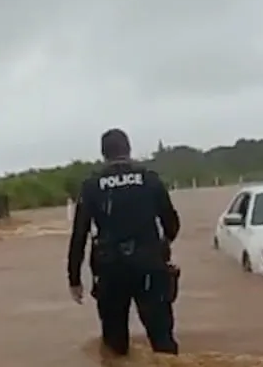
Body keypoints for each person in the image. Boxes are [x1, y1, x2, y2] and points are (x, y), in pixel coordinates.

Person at [67, 128, 181, 356]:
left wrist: (74, 278)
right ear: (128, 149)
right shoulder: (150, 179)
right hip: (149, 266)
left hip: (110, 270)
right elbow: (172, 223)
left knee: (115, 345)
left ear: (103, 154)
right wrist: (162, 245)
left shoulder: (92, 186)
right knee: (162, 341)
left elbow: (80, 234)